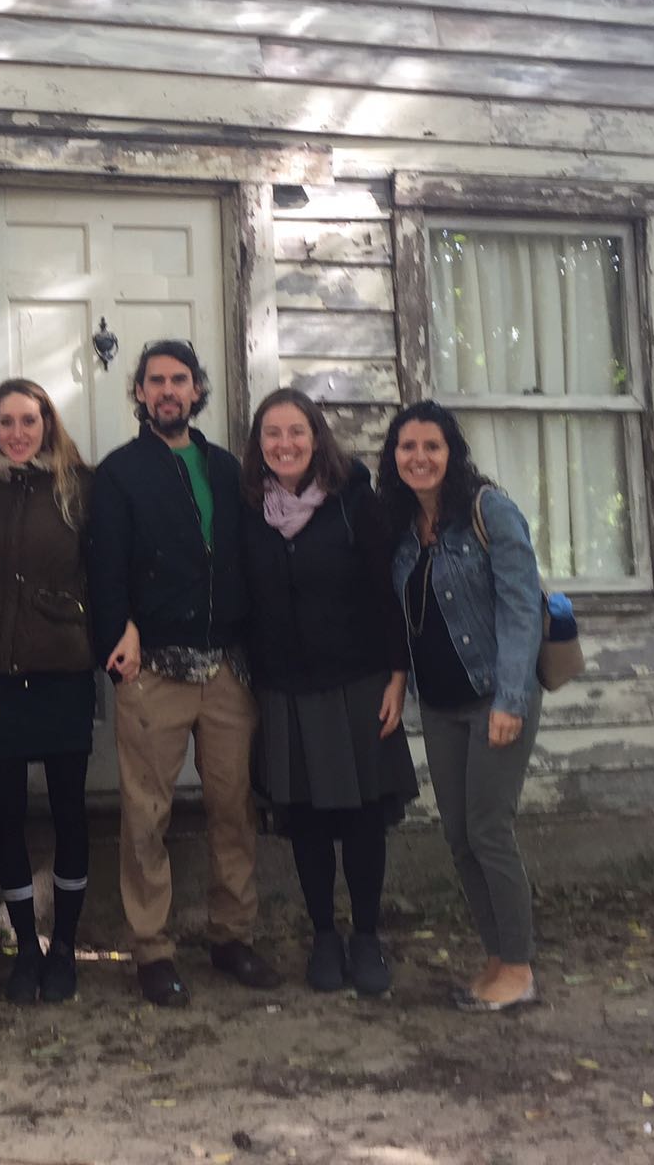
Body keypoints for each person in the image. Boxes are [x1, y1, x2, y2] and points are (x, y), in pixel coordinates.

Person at [88, 340, 280, 1006]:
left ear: (197, 391)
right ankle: (152, 949)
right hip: (153, 673)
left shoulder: (229, 470)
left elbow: (252, 559)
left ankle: (233, 935)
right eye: (155, 381)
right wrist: (121, 633)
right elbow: (103, 568)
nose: (168, 391)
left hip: (228, 669)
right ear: (138, 394)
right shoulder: (117, 475)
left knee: (233, 808)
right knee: (146, 816)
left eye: (179, 380)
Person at [239, 389, 418, 997]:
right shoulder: (250, 511)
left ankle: (366, 936)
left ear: (317, 438)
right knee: (308, 821)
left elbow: (387, 592)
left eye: (295, 432)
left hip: (358, 682)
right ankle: (323, 936)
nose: (284, 444)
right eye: (272, 434)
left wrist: (398, 674)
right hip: (285, 689)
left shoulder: (353, 504)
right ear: (258, 445)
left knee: (364, 818)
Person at [377, 400, 544, 1012]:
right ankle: (498, 958)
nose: (419, 458)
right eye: (407, 447)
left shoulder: (487, 511)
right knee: (459, 837)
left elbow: (522, 609)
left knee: (489, 831)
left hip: (493, 698)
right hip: (442, 707)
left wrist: (511, 698)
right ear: (393, 457)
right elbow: (403, 619)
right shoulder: (402, 528)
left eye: (432, 447)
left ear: (452, 453)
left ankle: (521, 969)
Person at [0, 379, 95, 1005]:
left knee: (71, 810)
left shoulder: (79, 487)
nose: (18, 434)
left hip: (64, 671)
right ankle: (25, 946)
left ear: (48, 423)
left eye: (29, 420)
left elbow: (105, 571)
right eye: (6, 423)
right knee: (7, 814)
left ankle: (65, 945)